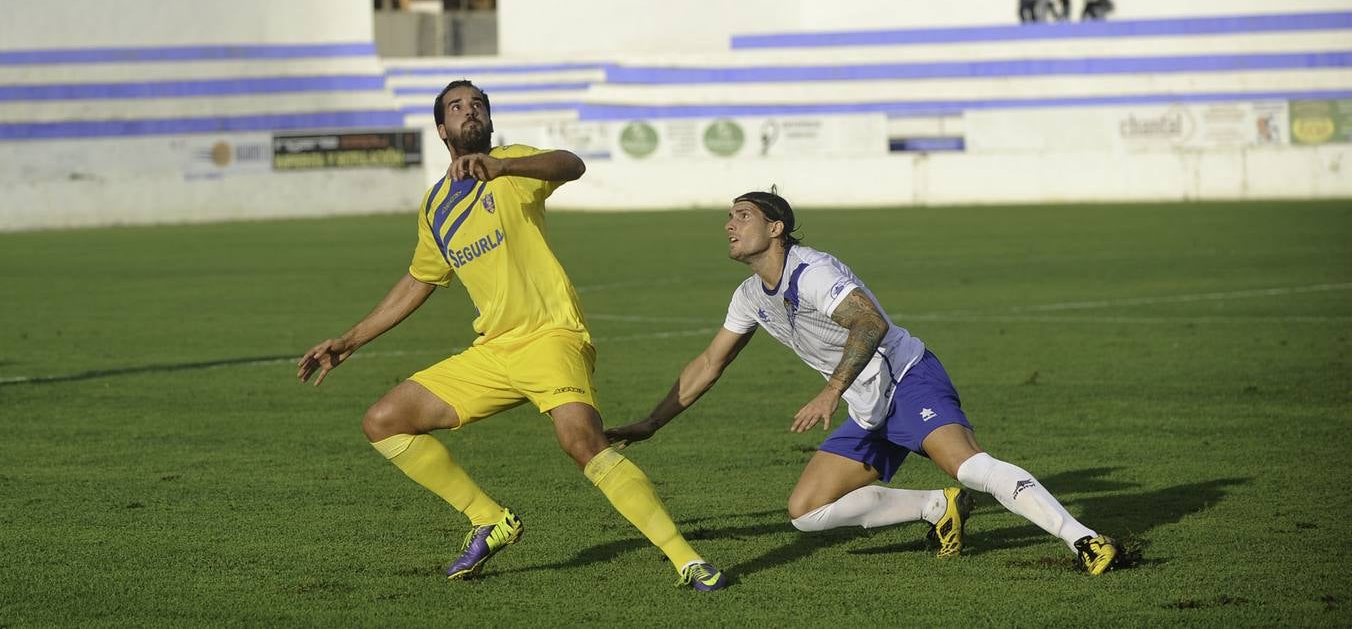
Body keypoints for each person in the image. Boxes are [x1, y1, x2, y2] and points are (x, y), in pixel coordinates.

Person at [297, 79, 727, 592]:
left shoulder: (512, 167)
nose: (469, 111)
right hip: (494, 350)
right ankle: (489, 520)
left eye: (477, 104)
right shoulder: (435, 206)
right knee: (385, 421)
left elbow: (571, 163)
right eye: (457, 107)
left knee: (581, 441)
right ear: (442, 129)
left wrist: (504, 167)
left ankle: (686, 560)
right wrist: (349, 340)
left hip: (551, 336)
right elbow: (419, 279)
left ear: (490, 120)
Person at [605, 189, 1121, 575]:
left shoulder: (813, 272)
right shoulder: (749, 295)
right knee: (806, 513)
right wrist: (652, 422)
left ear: (777, 226)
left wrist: (830, 389)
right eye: (729, 216)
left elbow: (869, 323)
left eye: (743, 215)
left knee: (970, 466)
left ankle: (1087, 540)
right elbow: (708, 364)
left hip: (904, 378)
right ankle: (935, 507)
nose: (729, 225)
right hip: (864, 399)